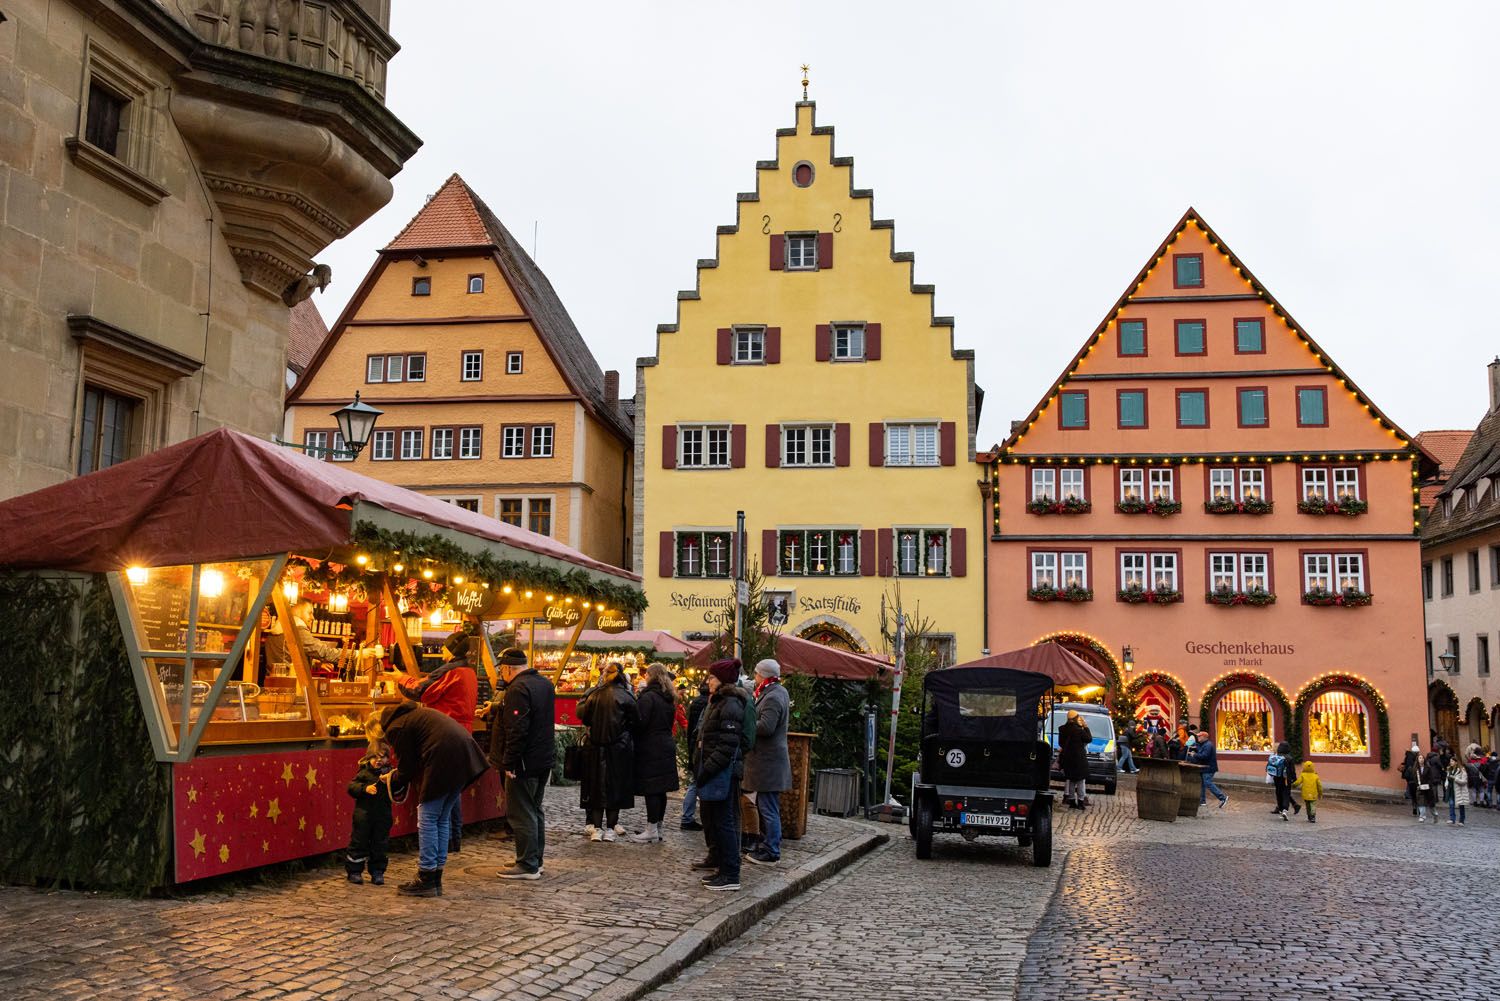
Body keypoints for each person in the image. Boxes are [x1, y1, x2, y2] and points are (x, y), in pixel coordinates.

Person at [380, 700, 490, 897]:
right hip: (462, 753)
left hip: (443, 758)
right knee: (442, 817)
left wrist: (390, 778)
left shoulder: (396, 728)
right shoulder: (415, 715)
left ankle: (427, 875)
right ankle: (435, 874)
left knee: (428, 817)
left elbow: (407, 768)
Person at [399, 630, 479, 854]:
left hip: (446, 736)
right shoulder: (469, 671)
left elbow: (420, 691)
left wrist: (399, 677)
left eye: (445, 647)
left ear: (450, 651)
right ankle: (453, 838)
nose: (442, 650)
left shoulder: (450, 671)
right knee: (453, 791)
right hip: (464, 733)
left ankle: (445, 843)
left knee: (440, 794)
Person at [487, 646, 555, 879]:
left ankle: (527, 864)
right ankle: (535, 859)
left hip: (523, 762)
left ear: (507, 668)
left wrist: (510, 763)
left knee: (521, 812)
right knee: (535, 810)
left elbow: (517, 729)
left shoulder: (517, 688)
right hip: (542, 757)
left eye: (502, 670)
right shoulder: (544, 684)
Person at [694, 658, 751, 891]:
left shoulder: (730, 704)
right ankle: (724, 869)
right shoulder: (721, 702)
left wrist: (707, 768)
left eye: (712, 677)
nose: (708, 681)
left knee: (725, 822)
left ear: (722, 680)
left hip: (722, 771)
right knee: (718, 820)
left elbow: (727, 744)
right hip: (716, 769)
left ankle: (730, 874)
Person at [576, 660, 638, 842]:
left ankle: (597, 828)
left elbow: (585, 718)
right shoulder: (627, 696)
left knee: (596, 788)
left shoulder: (594, 695)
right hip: (619, 748)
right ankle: (610, 828)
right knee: (615, 788)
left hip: (596, 747)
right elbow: (636, 721)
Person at [744, 659, 791, 866]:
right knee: (766, 805)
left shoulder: (773, 696)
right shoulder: (773, 692)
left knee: (768, 807)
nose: (754, 678)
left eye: (756, 674)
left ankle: (771, 849)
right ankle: (767, 844)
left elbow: (766, 726)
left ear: (762, 675)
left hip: (769, 762)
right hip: (767, 761)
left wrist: (746, 725)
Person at [630, 662, 681, 844]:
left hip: (650, 746)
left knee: (652, 788)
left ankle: (651, 828)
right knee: (661, 790)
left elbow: (640, 723)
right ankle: (658, 826)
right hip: (665, 744)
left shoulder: (649, 697)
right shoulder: (668, 697)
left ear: (650, 675)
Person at [343, 722, 394, 884]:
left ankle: (377, 871)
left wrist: (392, 782)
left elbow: (398, 790)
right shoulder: (364, 773)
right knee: (359, 842)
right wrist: (365, 789)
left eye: (382, 757)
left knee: (380, 843)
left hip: (383, 815)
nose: (379, 760)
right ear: (369, 757)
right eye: (375, 757)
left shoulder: (390, 774)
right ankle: (354, 871)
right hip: (363, 816)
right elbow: (352, 787)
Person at [680, 681, 710, 831]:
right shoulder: (708, 704)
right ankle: (687, 817)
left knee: (694, 782)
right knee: (696, 782)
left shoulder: (695, 702)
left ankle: (687, 816)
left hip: (694, 745)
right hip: (700, 747)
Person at [1058, 709, 1090, 810]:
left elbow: (1061, 743)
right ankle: (1080, 801)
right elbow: (1089, 739)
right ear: (1076, 718)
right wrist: (1085, 726)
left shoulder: (1062, 729)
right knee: (1080, 780)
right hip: (1079, 758)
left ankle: (1071, 801)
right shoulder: (1079, 730)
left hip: (1068, 758)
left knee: (1071, 780)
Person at [1192, 730, 1228, 808]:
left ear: (1204, 737)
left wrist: (1194, 755)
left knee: (1208, 783)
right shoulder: (1203, 744)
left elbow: (1204, 756)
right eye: (1197, 736)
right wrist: (1196, 746)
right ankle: (1202, 801)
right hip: (1204, 768)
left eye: (1199, 736)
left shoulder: (1208, 745)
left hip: (1209, 768)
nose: (1198, 737)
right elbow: (1201, 752)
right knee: (1202, 785)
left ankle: (1223, 798)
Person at [1267, 742, 1299, 820]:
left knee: (1279, 793)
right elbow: (1292, 770)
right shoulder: (1289, 758)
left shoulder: (1276, 757)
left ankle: (1280, 809)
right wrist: (1294, 779)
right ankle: (1285, 810)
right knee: (1286, 794)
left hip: (1277, 778)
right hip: (1286, 779)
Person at [1418, 748, 1443, 824]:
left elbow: (1430, 778)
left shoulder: (1428, 768)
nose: (1421, 759)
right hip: (1420, 788)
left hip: (1428, 788)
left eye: (1422, 758)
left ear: (1424, 759)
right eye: (1419, 758)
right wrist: (1417, 784)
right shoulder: (1416, 769)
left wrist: (1428, 785)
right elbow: (1415, 777)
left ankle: (1435, 815)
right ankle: (1422, 816)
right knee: (1421, 803)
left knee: (1431, 805)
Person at [1400, 738, 1423, 817]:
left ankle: (1414, 809)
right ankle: (1419, 810)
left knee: (1413, 795)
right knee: (1418, 795)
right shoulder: (1416, 759)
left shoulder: (1408, 757)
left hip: (1410, 779)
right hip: (1416, 779)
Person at [1446, 754, 1469, 826]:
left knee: (1461, 805)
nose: (1451, 762)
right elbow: (1447, 779)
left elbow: (1464, 781)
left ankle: (1461, 820)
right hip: (1451, 790)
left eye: (1452, 761)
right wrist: (1446, 784)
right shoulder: (1449, 769)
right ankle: (1452, 819)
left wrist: (1455, 779)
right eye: (1450, 761)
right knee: (1451, 804)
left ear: (1456, 762)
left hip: (1459, 790)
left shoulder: (1462, 770)